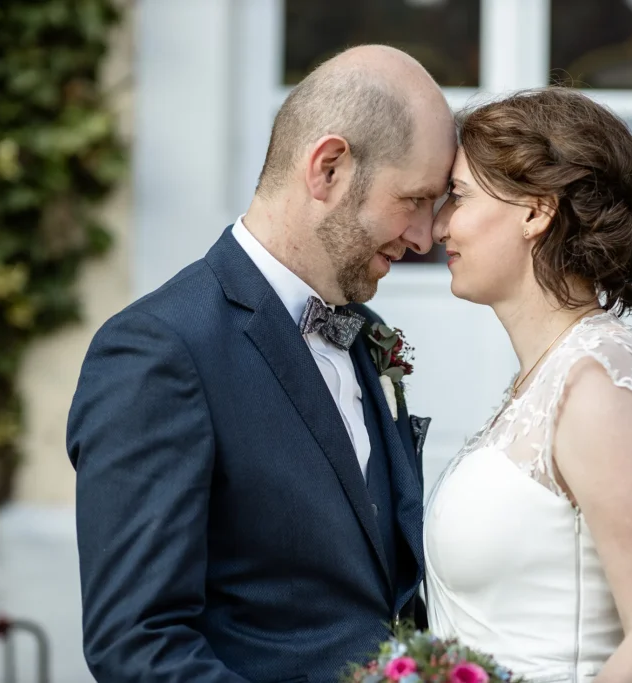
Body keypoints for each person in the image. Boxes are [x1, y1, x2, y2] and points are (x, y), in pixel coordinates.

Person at [66, 45, 455, 683]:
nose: (423, 237)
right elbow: (140, 649)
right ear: (328, 168)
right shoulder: (159, 351)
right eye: (414, 199)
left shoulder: (369, 337)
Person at [424, 87, 632, 683]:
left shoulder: (599, 388)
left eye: (460, 197)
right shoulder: (550, 374)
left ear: (535, 211)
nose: (439, 223)